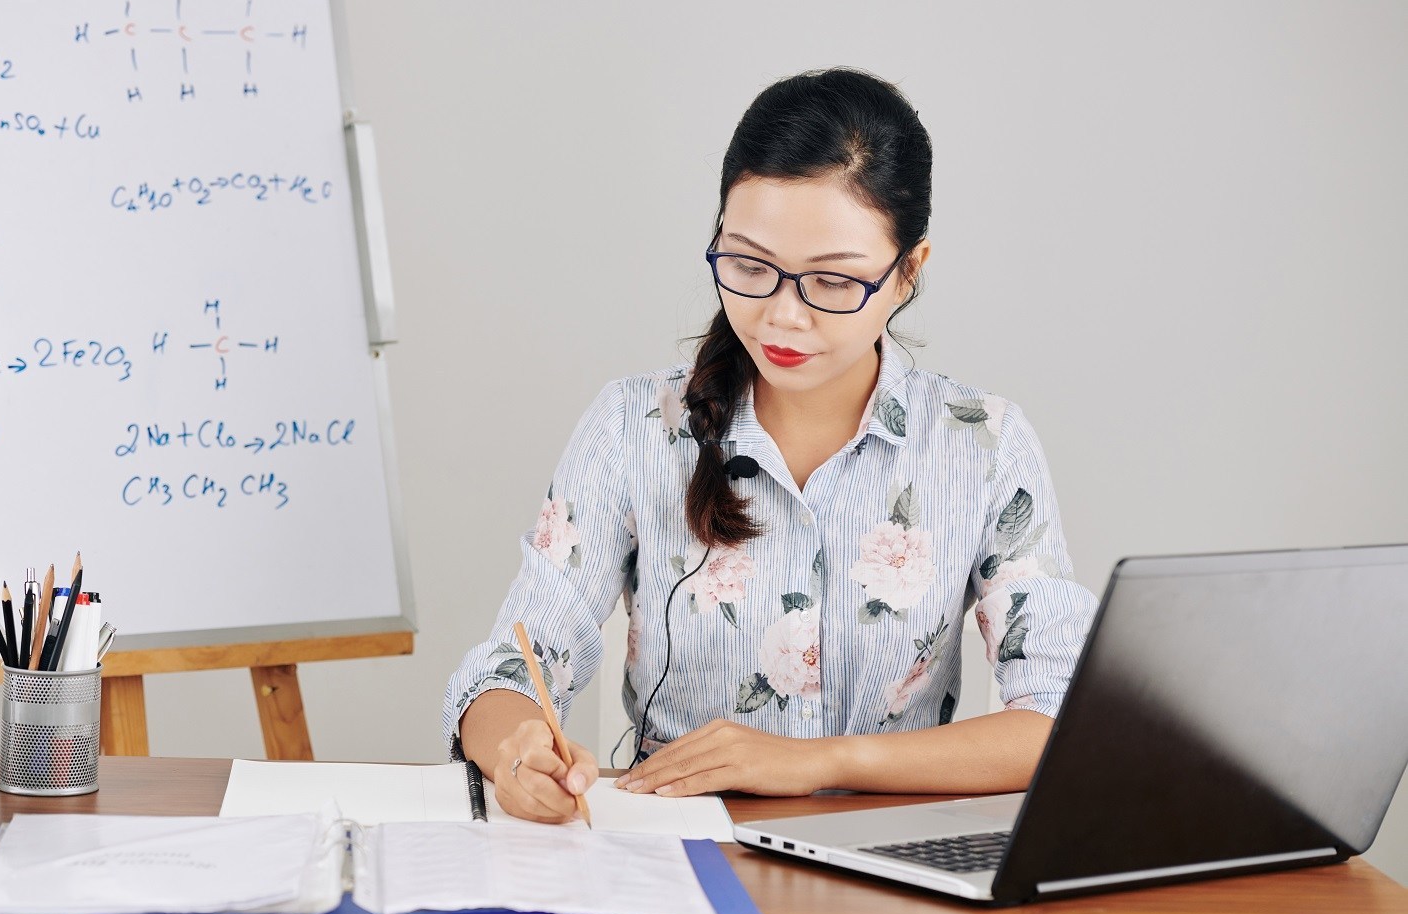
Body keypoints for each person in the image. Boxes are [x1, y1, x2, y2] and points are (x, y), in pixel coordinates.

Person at [444, 67, 1098, 824]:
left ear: (907, 272)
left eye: (831, 281)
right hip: (683, 852)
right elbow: (508, 669)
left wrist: (819, 763)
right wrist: (515, 749)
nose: (782, 317)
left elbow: (1059, 722)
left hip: (891, 866)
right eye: (749, 266)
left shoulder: (981, 446)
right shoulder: (635, 429)